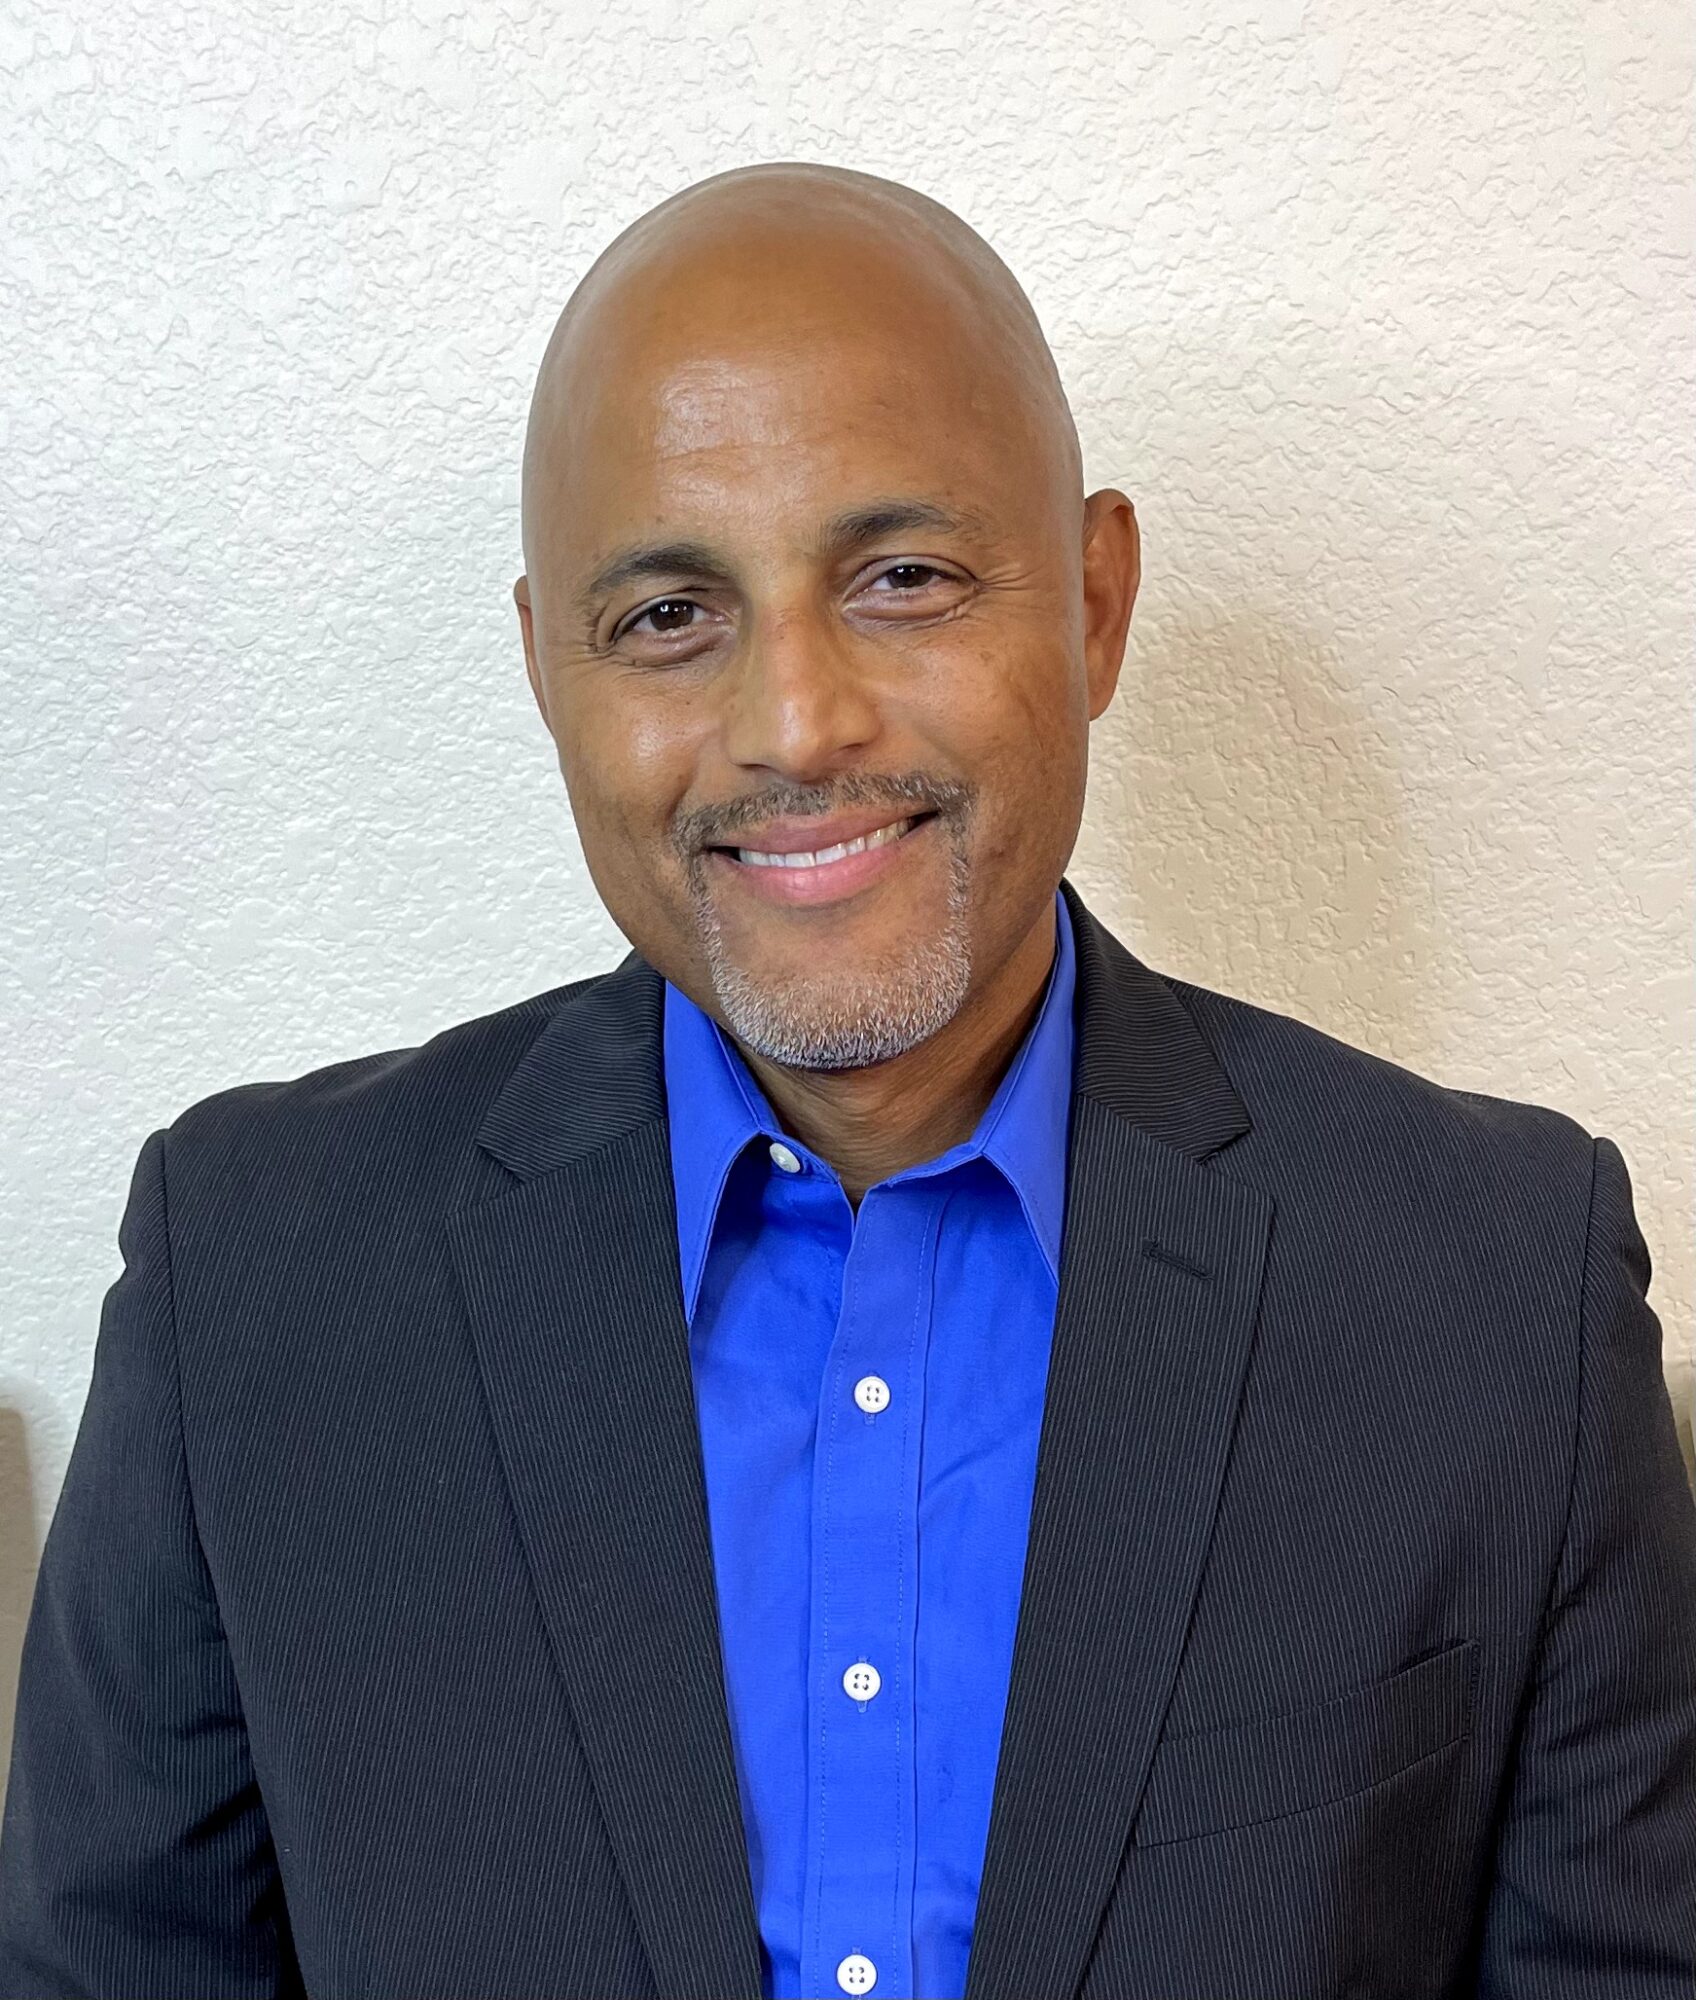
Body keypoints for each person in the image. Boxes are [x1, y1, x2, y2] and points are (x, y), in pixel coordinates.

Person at [0, 160, 1691, 2000]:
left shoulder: (1499, 1288)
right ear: (548, 673)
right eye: (669, 616)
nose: (796, 725)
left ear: (1098, 604)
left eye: (902, 579)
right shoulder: (252, 1283)